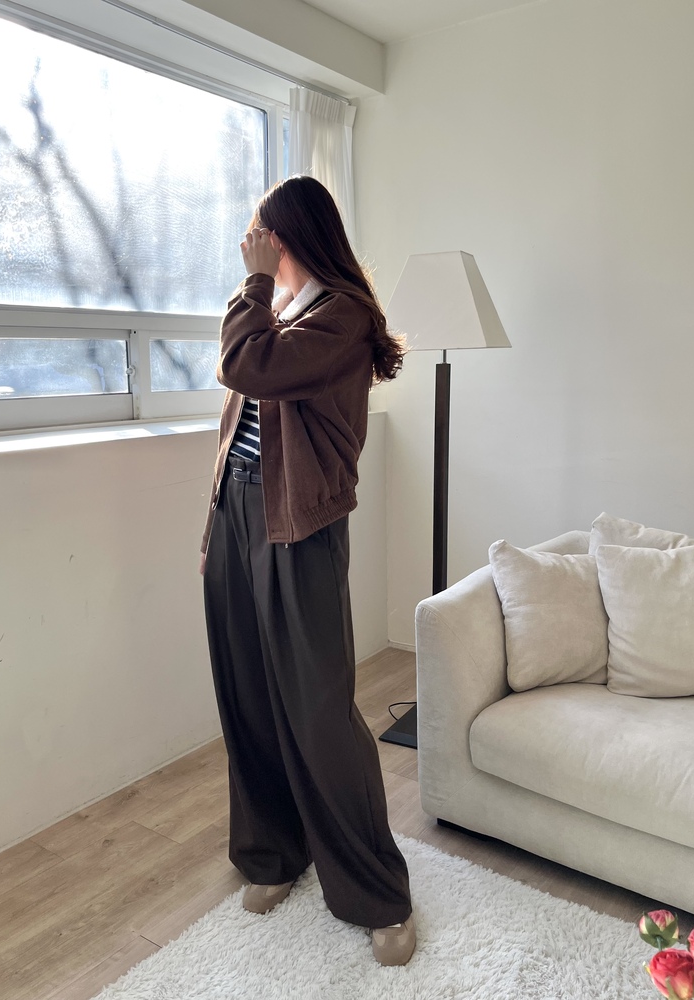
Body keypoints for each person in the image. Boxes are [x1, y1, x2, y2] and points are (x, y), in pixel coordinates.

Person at [199, 175, 415, 966]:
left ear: (290, 236)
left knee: (319, 709)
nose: (253, 246)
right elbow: (242, 413)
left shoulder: (341, 315)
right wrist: (215, 529)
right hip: (237, 513)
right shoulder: (286, 310)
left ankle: (375, 891)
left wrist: (253, 282)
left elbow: (246, 366)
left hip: (300, 526)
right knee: (248, 694)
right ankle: (273, 854)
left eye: (263, 234)